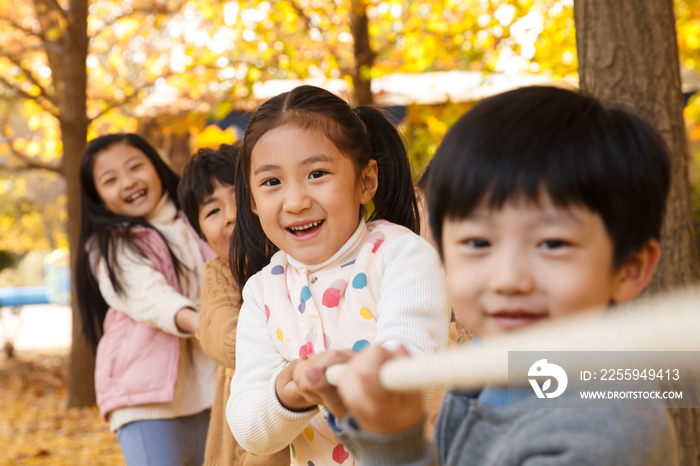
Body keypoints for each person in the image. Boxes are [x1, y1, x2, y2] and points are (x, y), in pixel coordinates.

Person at [332, 86, 678, 465]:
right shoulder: (493, 353)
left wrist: (396, 446)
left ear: (629, 269)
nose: (508, 279)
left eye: (552, 244)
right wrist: (364, 416)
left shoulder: (605, 431)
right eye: (478, 242)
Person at [226, 85, 452, 466]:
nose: (295, 201)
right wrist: (289, 391)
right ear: (251, 200)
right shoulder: (264, 292)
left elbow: (419, 377)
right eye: (271, 182)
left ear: (366, 181)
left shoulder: (400, 255)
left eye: (317, 173)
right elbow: (250, 430)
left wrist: (346, 374)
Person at [75, 133, 217, 466]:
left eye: (135, 166)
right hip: (147, 403)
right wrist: (209, 325)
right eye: (110, 180)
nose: (128, 182)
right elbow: (149, 296)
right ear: (99, 198)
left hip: (216, 395)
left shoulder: (202, 220)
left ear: (156, 166)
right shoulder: (111, 246)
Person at [177, 144, 290, 466]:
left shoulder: (302, 259)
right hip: (254, 450)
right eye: (212, 211)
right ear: (203, 236)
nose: (231, 216)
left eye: (240, 199)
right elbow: (225, 338)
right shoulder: (220, 272)